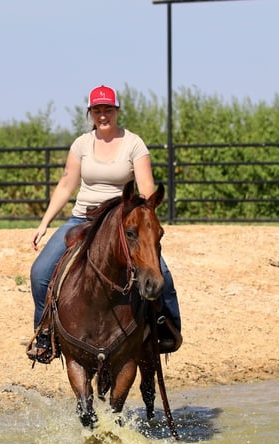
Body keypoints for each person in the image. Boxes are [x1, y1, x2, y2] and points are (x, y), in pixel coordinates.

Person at [26, 85, 182, 363]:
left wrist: (143, 216)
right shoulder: (81, 145)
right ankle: (45, 333)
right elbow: (66, 184)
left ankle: (166, 327)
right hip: (83, 219)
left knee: (162, 273)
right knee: (40, 272)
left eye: (107, 109)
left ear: (117, 111)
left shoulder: (134, 144)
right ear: (90, 113)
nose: (102, 115)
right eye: (97, 110)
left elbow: (146, 187)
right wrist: (44, 222)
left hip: (121, 223)